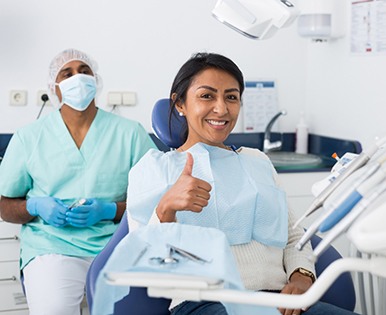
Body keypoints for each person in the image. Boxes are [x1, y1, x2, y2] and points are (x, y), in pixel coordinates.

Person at [124, 52, 359, 315]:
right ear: (180, 104)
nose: (222, 108)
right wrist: (165, 210)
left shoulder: (257, 161)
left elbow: (293, 234)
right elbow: (143, 262)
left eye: (231, 97)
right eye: (207, 96)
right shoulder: (153, 169)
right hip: (205, 304)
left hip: (279, 302)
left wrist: (302, 276)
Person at [0, 48, 157, 315]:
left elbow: (156, 199)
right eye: (67, 73)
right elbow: (4, 205)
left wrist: (111, 210)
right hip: (52, 246)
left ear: (96, 80)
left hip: (116, 243)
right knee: (54, 309)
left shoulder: (130, 134)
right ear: (54, 87)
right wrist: (35, 207)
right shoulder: (29, 137)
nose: (78, 78)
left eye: (85, 72)